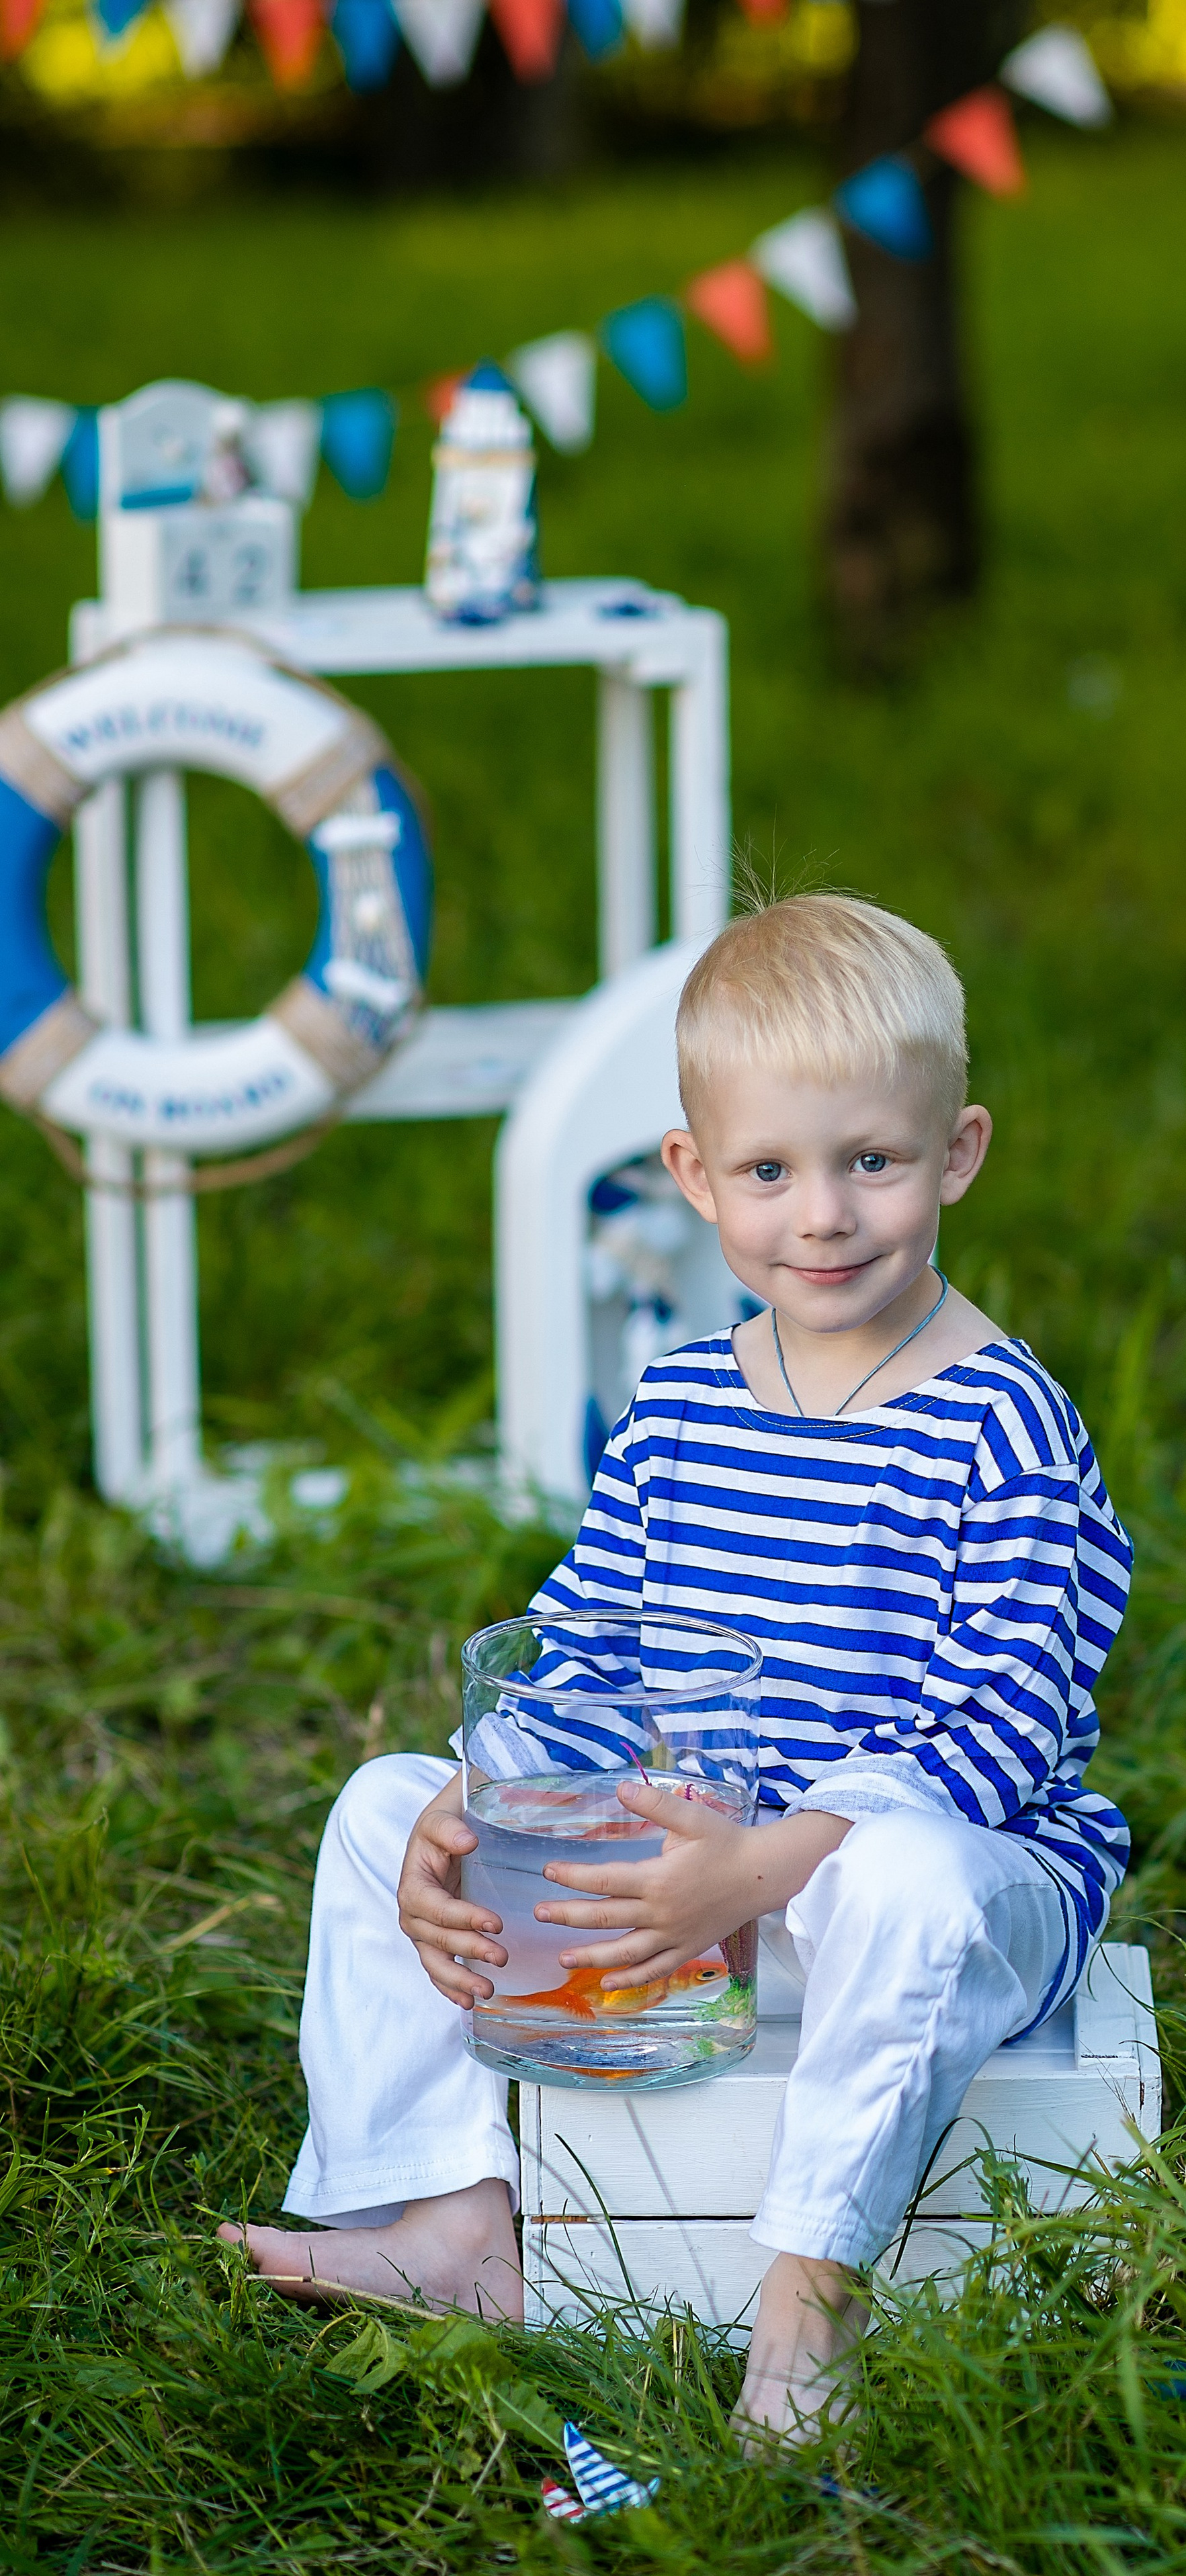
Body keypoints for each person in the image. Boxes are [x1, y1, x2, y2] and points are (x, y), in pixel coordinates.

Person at [221, 892, 1133, 2445]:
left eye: (872, 1163)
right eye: (770, 1172)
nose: (823, 1217)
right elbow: (587, 1633)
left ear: (957, 1153)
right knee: (389, 1807)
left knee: (904, 1882)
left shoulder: (1000, 1420)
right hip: (698, 1888)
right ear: (695, 1176)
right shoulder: (680, 1400)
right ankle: (450, 2220)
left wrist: (771, 1865)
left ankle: (805, 2316)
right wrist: (483, 1785)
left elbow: (1008, 1720)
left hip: (918, 1877)